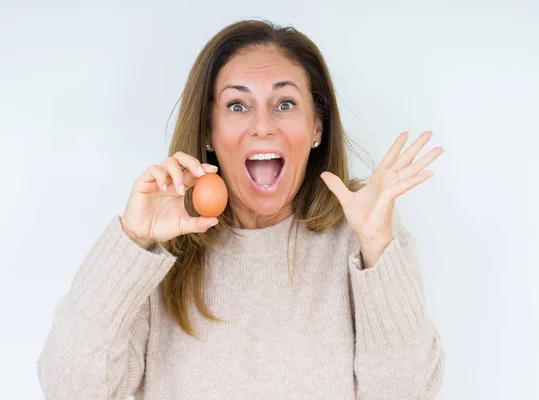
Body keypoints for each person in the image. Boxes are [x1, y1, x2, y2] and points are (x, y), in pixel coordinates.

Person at [37, 19, 445, 400]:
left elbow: (407, 392)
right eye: (237, 105)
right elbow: (70, 387)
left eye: (285, 104)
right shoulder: (160, 251)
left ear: (316, 127)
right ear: (209, 130)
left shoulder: (358, 236)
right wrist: (132, 240)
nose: (262, 125)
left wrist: (377, 247)